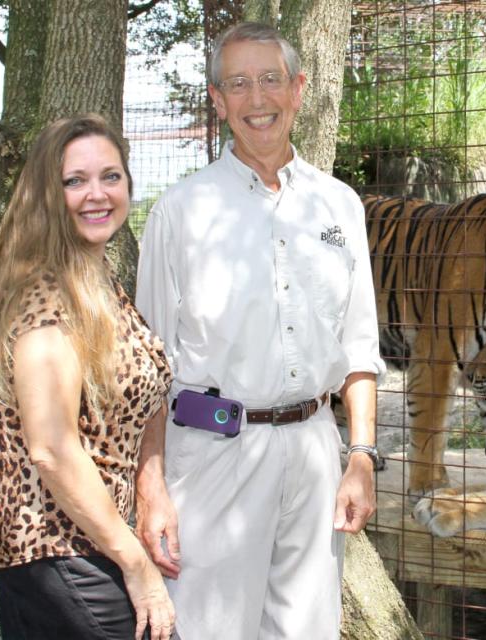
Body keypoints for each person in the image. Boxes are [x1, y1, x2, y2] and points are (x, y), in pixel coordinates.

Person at [134, 21, 385, 639]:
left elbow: (358, 344)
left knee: (307, 630)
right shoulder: (182, 212)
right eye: (238, 84)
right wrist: (151, 485)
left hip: (315, 453)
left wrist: (360, 457)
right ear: (218, 102)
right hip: (215, 456)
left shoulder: (339, 206)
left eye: (270, 80)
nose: (257, 99)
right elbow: (149, 369)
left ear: (299, 89)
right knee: (210, 629)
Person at [0, 114, 176, 640]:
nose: (96, 194)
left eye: (110, 176)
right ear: (46, 196)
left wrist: (151, 492)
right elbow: (51, 449)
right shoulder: (48, 301)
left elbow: (142, 394)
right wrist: (137, 567)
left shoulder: (94, 278)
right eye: (74, 181)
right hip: (57, 550)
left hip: (88, 543)